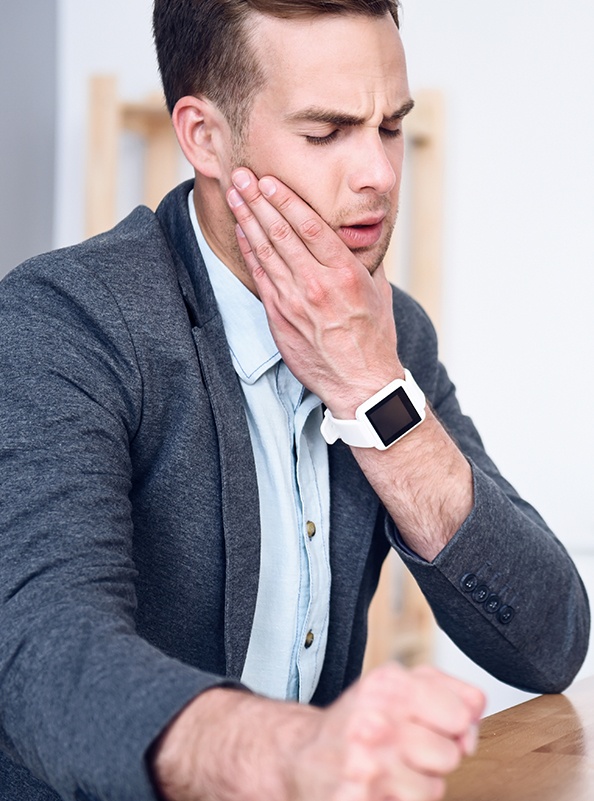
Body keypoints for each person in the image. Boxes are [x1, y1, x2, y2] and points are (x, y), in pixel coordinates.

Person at [0, 1, 589, 799]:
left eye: (390, 127)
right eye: (326, 132)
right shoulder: (64, 318)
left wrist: (371, 392)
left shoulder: (385, 332)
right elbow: (46, 657)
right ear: (204, 136)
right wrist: (295, 752)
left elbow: (550, 642)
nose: (379, 171)